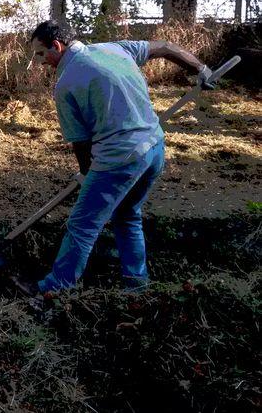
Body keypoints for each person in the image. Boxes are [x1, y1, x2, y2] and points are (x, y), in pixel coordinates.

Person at [15, 21, 214, 295]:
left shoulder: (65, 85)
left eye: (40, 53)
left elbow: (81, 143)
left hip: (120, 159)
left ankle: (54, 289)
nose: (39, 61)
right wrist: (201, 69)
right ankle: (137, 286)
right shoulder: (116, 49)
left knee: (82, 225)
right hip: (154, 149)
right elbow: (166, 47)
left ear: (57, 46)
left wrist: (87, 175)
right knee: (127, 215)